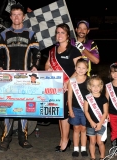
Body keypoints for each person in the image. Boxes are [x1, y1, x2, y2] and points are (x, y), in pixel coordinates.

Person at [0, 4, 41, 152]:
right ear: (10, 17)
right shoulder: (4, 34)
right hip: (8, 78)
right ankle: (5, 139)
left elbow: (37, 53)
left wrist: (35, 66)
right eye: (13, 14)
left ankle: (23, 138)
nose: (16, 17)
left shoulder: (30, 34)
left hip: (26, 78)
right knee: (8, 108)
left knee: (24, 108)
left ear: (23, 16)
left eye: (19, 14)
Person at [45, 23, 81, 152]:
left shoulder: (74, 50)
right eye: (57, 32)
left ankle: (65, 140)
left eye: (62, 33)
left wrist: (68, 82)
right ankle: (63, 138)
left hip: (68, 87)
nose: (59, 35)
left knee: (65, 114)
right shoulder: (52, 50)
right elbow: (47, 65)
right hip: (55, 87)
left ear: (67, 36)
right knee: (60, 114)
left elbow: (79, 69)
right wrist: (48, 69)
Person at [84, 75, 108, 160]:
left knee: (100, 142)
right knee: (92, 142)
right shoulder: (87, 98)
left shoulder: (103, 98)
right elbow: (86, 111)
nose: (96, 88)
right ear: (90, 87)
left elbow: (105, 112)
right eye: (93, 85)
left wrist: (100, 123)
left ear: (101, 86)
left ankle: (102, 157)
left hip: (101, 124)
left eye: (98, 85)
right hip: (91, 124)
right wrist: (91, 121)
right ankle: (93, 157)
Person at [68, 58, 89, 157]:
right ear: (75, 68)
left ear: (87, 69)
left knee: (84, 129)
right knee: (76, 128)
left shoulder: (89, 81)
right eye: (79, 67)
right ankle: (76, 148)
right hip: (75, 108)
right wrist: (70, 109)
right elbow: (69, 96)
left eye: (83, 68)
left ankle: (84, 148)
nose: (81, 70)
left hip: (86, 110)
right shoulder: (72, 81)